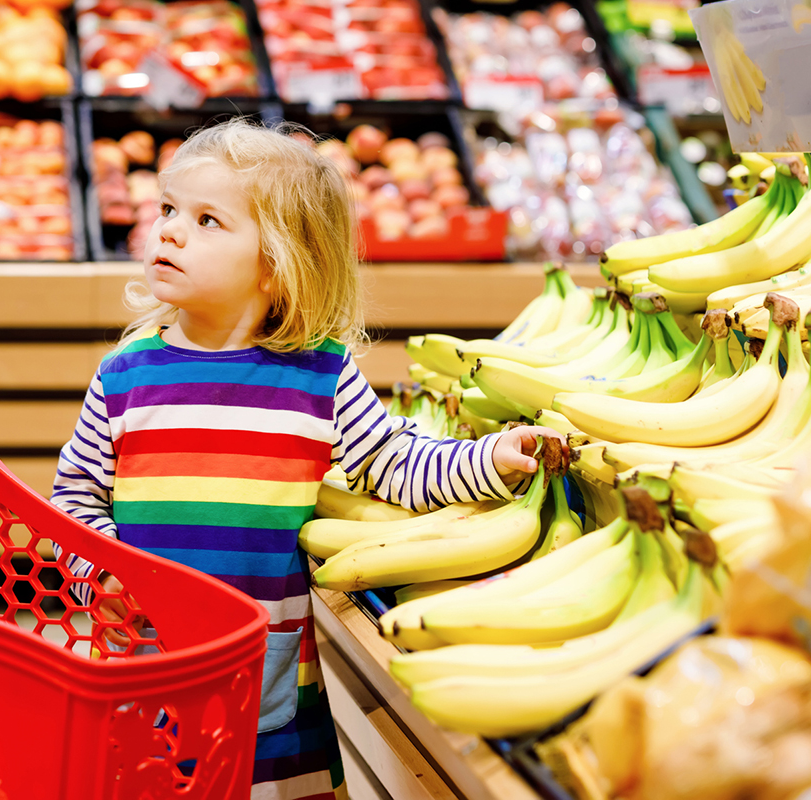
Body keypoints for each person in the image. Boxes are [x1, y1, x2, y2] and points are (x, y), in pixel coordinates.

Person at [50, 118, 564, 799]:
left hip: (270, 694)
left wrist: (488, 459)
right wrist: (106, 574)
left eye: (207, 220)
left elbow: (394, 462)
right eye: (168, 209)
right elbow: (73, 502)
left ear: (277, 261)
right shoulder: (124, 375)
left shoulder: (320, 376)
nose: (168, 230)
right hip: (145, 668)